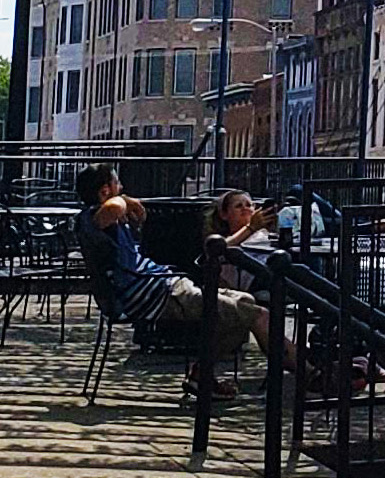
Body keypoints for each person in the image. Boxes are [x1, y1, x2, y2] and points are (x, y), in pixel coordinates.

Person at [74, 164, 266, 396]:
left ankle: (201, 375)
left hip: (166, 286)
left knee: (245, 302)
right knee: (251, 313)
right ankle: (302, 371)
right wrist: (127, 200)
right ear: (105, 192)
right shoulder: (94, 218)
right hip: (158, 295)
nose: (122, 187)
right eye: (117, 184)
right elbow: (114, 207)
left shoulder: (99, 218)